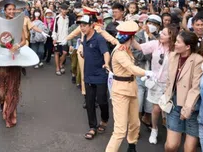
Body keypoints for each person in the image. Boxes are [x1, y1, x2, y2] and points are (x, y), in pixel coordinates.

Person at [0, 0, 39, 128]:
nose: (12, 11)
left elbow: (24, 40)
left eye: (13, 9)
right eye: (9, 9)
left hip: (14, 60)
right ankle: (5, 104)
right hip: (1, 62)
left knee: (12, 88)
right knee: (1, 90)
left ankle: (10, 113)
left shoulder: (19, 22)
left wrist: (17, 46)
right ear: (4, 11)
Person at [105, 21, 155, 152]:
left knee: (134, 123)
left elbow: (140, 47)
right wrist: (147, 72)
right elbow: (131, 68)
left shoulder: (124, 47)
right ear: (131, 38)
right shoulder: (120, 52)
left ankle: (132, 146)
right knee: (120, 130)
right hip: (120, 91)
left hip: (131, 88)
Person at [131, 25, 179, 144]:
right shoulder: (155, 44)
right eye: (161, 33)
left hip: (171, 84)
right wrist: (130, 36)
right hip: (156, 82)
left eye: (164, 34)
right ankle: (154, 129)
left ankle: (172, 133)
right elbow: (138, 47)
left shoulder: (177, 48)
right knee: (156, 109)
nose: (160, 35)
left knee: (168, 109)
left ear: (171, 37)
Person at [163, 31, 203, 152]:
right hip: (174, 103)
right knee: (171, 146)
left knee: (189, 149)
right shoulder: (172, 56)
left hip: (192, 106)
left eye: (178, 42)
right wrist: (165, 99)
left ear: (187, 46)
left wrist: (187, 108)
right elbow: (169, 81)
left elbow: (195, 88)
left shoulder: (198, 60)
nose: (174, 44)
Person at [77, 14, 111, 141]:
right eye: (81, 26)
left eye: (84, 25)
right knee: (90, 103)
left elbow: (106, 53)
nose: (82, 28)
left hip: (100, 75)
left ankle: (105, 119)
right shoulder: (85, 38)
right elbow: (89, 53)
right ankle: (92, 127)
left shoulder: (99, 38)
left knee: (102, 100)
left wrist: (106, 63)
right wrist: (83, 54)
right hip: (88, 75)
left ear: (92, 25)